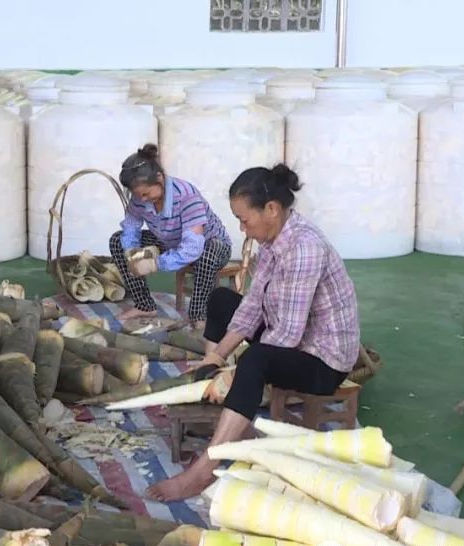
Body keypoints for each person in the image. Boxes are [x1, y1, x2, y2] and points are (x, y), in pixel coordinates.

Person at [145, 163, 361, 502]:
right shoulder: (273, 240)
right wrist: (216, 357)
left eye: (245, 220)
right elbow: (253, 305)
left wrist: (236, 370)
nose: (243, 230)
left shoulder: (305, 247)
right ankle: (221, 397)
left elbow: (288, 334)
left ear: (272, 210)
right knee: (221, 300)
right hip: (292, 337)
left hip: (323, 360)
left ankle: (201, 472)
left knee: (255, 359)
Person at [109, 144, 232, 327]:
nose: (142, 199)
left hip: (209, 245)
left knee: (208, 251)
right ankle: (144, 305)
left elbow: (192, 248)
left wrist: (155, 263)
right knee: (118, 240)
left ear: (159, 178)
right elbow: (131, 225)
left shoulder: (187, 196)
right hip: (169, 241)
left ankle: (198, 315)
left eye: (146, 193)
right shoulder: (139, 198)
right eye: (138, 195)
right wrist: (131, 253)